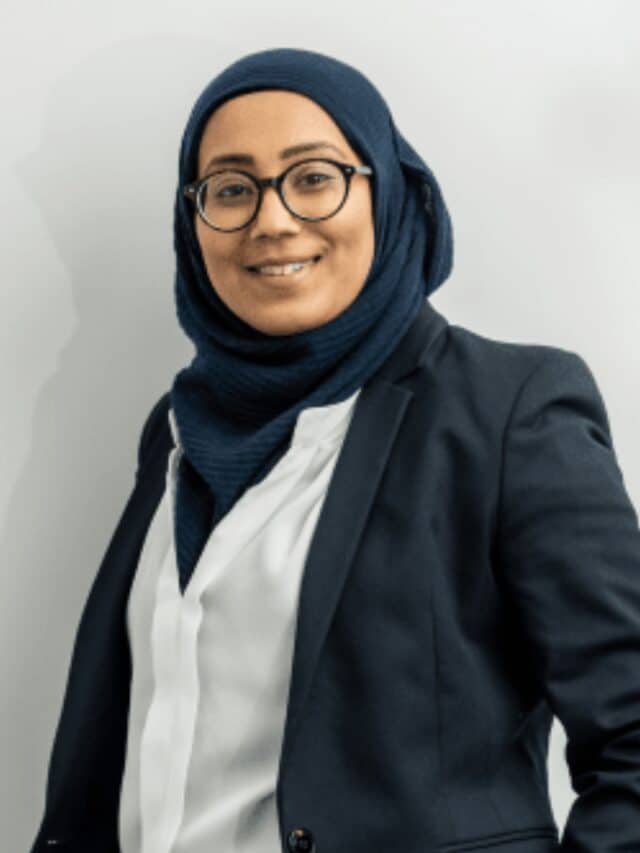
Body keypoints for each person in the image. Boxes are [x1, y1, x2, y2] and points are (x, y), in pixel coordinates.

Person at [30, 48, 640, 853]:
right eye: (232, 188)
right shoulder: (177, 429)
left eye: (314, 177)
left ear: (388, 191)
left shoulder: (504, 411)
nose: (272, 220)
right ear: (193, 219)